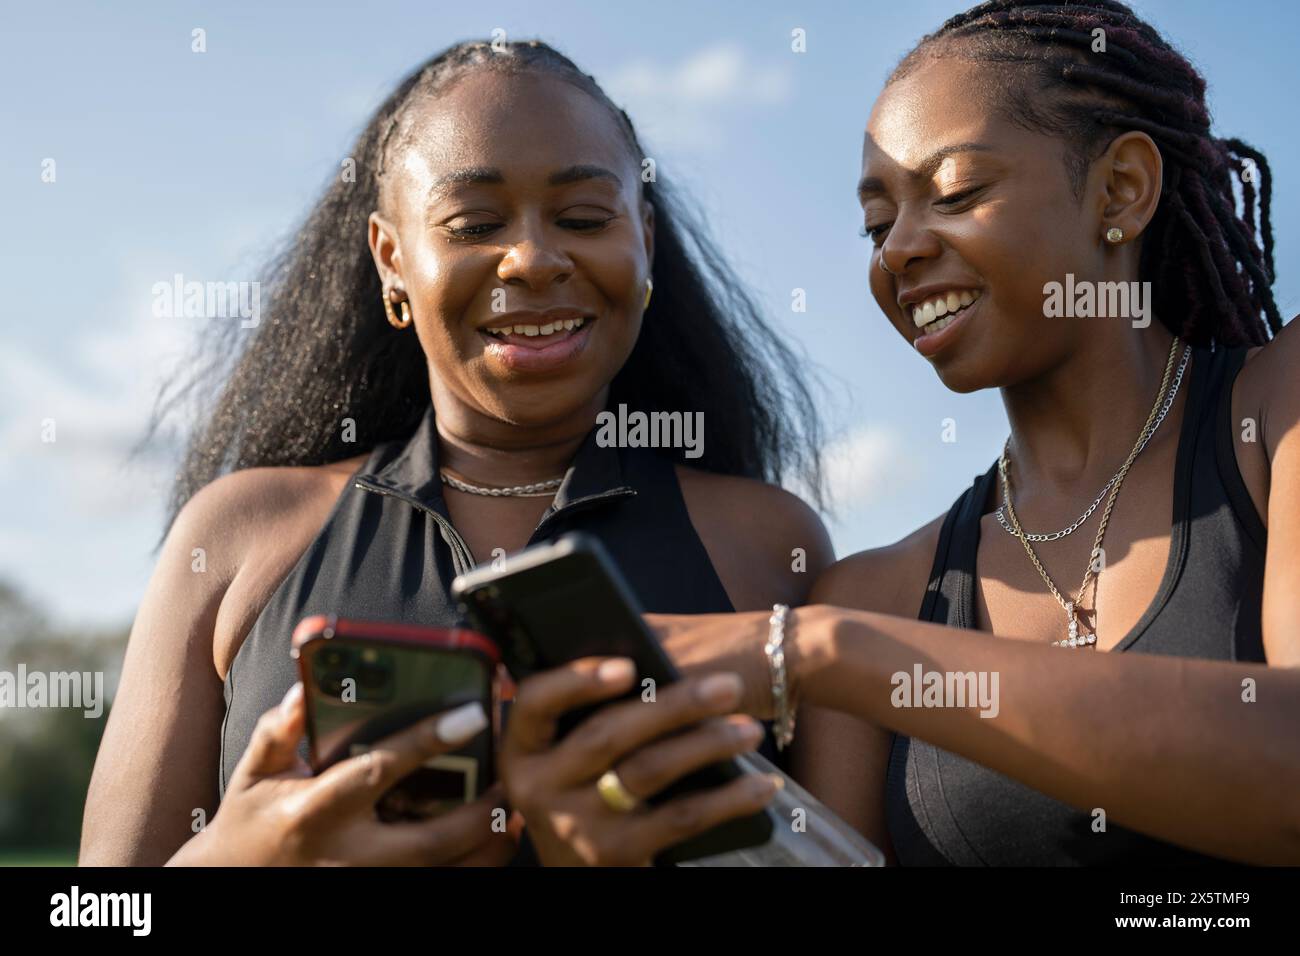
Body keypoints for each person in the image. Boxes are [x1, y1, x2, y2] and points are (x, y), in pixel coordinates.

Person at [500, 0, 1300, 866]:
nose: (900, 250)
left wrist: (821, 652)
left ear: (1122, 189)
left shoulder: (1273, 413)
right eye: (878, 226)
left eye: (956, 194)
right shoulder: (873, 593)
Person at [79, 39, 832, 866]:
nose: (533, 259)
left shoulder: (768, 548)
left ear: (645, 243)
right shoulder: (238, 536)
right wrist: (241, 855)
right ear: (392, 261)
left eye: (584, 218)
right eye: (474, 224)